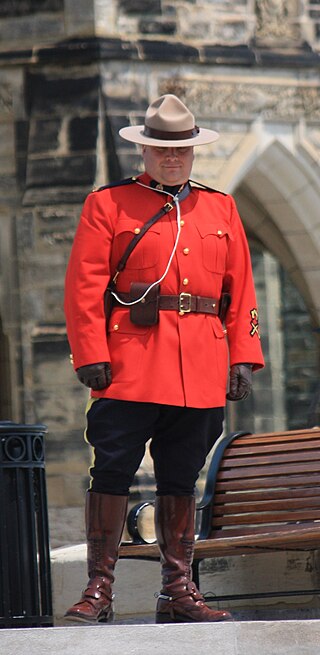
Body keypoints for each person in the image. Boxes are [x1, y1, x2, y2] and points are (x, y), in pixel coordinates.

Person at [64, 94, 264, 624]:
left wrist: (243, 355)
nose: (171, 157)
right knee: (111, 471)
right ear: (145, 151)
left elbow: (241, 291)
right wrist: (89, 352)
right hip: (129, 362)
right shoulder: (107, 204)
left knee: (182, 478)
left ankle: (178, 593)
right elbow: (83, 287)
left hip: (200, 366)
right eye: (160, 148)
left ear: (193, 152)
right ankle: (98, 591)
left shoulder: (220, 207)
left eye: (180, 149)